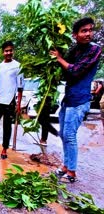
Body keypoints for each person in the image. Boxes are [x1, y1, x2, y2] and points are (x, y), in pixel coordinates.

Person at [50, 17, 102, 183]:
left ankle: (71, 172)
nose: (88, 34)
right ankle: (65, 166)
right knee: (64, 134)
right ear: (75, 35)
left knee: (70, 135)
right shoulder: (74, 50)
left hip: (80, 100)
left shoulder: (94, 50)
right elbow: (65, 71)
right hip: (68, 98)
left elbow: (75, 71)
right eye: (84, 31)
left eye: (89, 30)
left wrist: (59, 58)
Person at [0, 41, 23, 159]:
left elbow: (20, 87)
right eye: (6, 51)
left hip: (9, 101)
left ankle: (4, 149)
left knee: (7, 127)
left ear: (13, 51)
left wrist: (18, 103)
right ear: (3, 52)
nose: (8, 53)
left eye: (10, 50)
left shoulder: (18, 66)